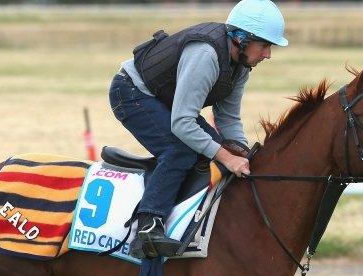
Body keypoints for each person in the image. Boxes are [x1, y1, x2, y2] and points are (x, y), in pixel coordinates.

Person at [108, 0, 288, 259]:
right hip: (131, 92)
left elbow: (227, 120)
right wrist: (226, 157)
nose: (268, 54)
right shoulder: (205, 55)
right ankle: (148, 224)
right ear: (242, 39)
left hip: (163, 99)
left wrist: (243, 155)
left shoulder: (240, 65)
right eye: (265, 45)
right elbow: (182, 124)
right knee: (181, 148)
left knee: (214, 147)